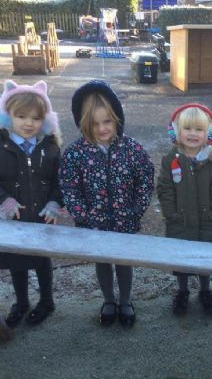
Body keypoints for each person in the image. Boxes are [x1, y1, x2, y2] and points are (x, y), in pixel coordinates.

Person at [59, 80, 154, 328]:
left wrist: (136, 211)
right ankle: (109, 300)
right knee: (102, 262)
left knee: (123, 263)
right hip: (94, 225)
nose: (102, 128)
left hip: (125, 222)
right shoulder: (75, 153)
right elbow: (70, 189)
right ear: (83, 123)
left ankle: (125, 301)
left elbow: (145, 180)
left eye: (107, 122)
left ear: (116, 119)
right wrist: (83, 215)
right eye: (94, 123)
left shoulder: (131, 149)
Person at [0, 80, 63, 327]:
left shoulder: (50, 147)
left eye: (36, 118)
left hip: (41, 218)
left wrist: (54, 203)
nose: (29, 123)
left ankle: (47, 301)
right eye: (22, 116)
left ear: (45, 120)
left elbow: (60, 181)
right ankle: (22, 302)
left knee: (41, 261)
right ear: (8, 116)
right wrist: (4, 201)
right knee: (17, 262)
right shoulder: (1, 146)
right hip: (12, 219)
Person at [157, 103, 212, 316]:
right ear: (177, 131)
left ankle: (206, 290)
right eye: (188, 129)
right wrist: (171, 214)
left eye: (199, 129)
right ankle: (183, 290)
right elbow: (165, 188)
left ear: (208, 133)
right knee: (182, 260)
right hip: (181, 222)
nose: (193, 134)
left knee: (205, 259)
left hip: (208, 221)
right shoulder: (171, 159)